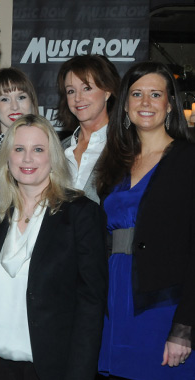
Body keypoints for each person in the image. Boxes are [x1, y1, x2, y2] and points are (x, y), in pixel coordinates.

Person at [0, 114, 107, 380]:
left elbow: (91, 304)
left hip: (51, 369)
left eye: (38, 149)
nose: (27, 159)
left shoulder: (81, 214)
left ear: (53, 157)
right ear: (8, 157)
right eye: (19, 149)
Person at [95, 61, 195, 379]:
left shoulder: (188, 160)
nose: (146, 103)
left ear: (169, 105)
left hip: (163, 308)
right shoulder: (114, 163)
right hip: (112, 302)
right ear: (125, 105)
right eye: (137, 94)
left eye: (155, 94)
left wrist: (185, 326)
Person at [55, 54, 120, 204]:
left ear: (107, 91)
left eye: (86, 88)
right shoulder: (58, 149)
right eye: (71, 91)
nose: (78, 98)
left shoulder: (126, 146)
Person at [0, 67, 38, 198]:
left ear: (32, 101)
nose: (14, 106)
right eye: (5, 99)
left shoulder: (48, 148)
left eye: (21, 97)